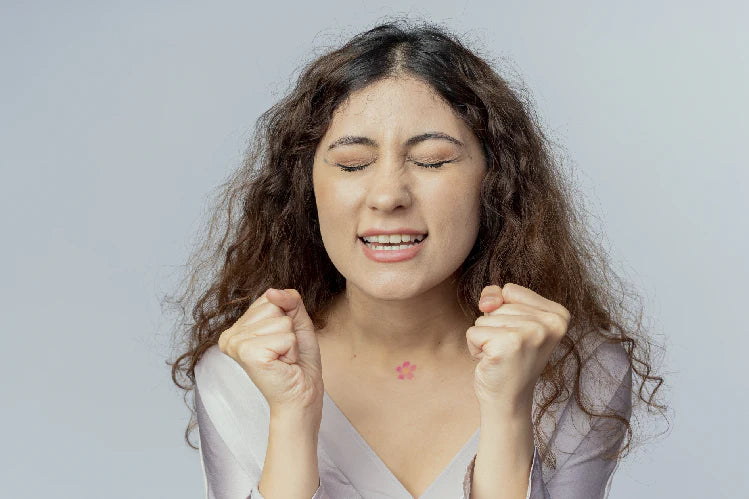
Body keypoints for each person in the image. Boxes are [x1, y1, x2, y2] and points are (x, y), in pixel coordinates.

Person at [167, 20, 668, 499]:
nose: (388, 196)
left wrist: (508, 412)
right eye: (352, 164)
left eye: (431, 160)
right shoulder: (243, 370)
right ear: (306, 188)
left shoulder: (583, 373)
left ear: (494, 182)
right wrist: (292, 418)